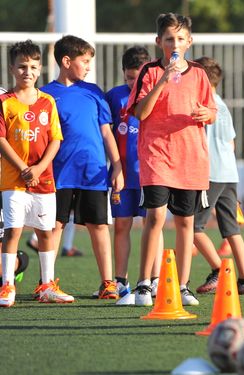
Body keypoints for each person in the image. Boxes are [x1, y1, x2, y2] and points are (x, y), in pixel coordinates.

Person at [127, 13, 216, 307]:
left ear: (189, 42)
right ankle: (143, 283)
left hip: (190, 159)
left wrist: (207, 114)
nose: (174, 44)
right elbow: (140, 112)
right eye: (168, 39)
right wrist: (164, 79)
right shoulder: (149, 71)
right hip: (156, 156)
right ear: (158, 42)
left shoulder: (200, 74)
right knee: (155, 217)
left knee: (185, 222)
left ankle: (182, 285)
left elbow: (211, 110)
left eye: (180, 38)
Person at [41, 35, 124, 299]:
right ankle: (47, 283)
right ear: (66, 61)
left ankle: (107, 283)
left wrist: (118, 166)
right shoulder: (45, 95)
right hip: (58, 174)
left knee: (99, 225)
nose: (88, 66)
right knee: (55, 226)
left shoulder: (94, 92)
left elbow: (107, 133)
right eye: (84, 61)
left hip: (94, 173)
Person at [0, 40, 74, 307]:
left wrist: (40, 168)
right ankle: (7, 285)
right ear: (12, 68)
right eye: (21, 67)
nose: (27, 72)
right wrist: (22, 168)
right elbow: (1, 139)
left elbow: (55, 138)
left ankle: (46, 285)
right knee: (13, 232)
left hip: (44, 180)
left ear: (40, 68)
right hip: (13, 180)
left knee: (45, 232)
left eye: (32, 66)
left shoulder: (47, 101)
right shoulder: (5, 102)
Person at [105, 46, 163, 304]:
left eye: (138, 78)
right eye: (129, 78)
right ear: (123, 74)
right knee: (122, 225)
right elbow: (106, 134)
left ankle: (156, 279)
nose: (133, 83)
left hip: (151, 174)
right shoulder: (114, 97)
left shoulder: (158, 95)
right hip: (122, 176)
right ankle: (121, 280)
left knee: (154, 223)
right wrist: (115, 166)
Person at [192, 57, 244, 295]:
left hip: (210, 174)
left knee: (192, 227)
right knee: (231, 230)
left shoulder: (202, 105)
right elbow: (231, 142)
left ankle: (219, 270)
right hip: (230, 173)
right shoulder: (223, 106)